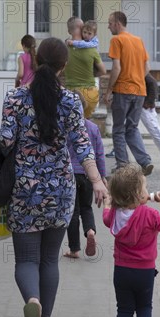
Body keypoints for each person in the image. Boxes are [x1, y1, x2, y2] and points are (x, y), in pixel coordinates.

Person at [0, 37, 107, 317]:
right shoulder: (72, 101)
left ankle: (32, 302)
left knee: (26, 259)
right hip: (60, 191)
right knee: (49, 260)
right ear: (64, 66)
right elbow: (83, 146)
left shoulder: (15, 98)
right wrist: (98, 181)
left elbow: (5, 142)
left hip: (24, 191)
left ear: (36, 58)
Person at [103, 164, 160, 317]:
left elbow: (105, 219)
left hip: (121, 270)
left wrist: (108, 204)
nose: (147, 191)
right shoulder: (150, 214)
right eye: (144, 187)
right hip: (145, 271)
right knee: (144, 305)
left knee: (124, 308)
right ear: (137, 195)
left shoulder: (115, 214)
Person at [103, 11, 153, 176]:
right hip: (140, 91)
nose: (108, 26)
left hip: (123, 91)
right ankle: (145, 162)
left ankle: (122, 166)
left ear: (117, 23)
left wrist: (109, 90)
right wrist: (136, 78)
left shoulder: (116, 40)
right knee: (132, 128)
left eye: (110, 23)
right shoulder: (138, 41)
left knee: (118, 129)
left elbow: (116, 68)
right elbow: (147, 68)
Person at [64, 92, 107, 259]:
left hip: (70, 175)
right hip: (90, 175)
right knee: (86, 208)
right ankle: (90, 231)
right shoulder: (93, 127)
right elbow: (100, 154)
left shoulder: (65, 127)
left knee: (72, 213)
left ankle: (74, 249)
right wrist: (102, 176)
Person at [64, 17, 106, 119]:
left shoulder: (63, 48)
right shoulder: (91, 49)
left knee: (71, 125)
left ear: (69, 30)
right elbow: (103, 71)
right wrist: (91, 74)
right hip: (89, 94)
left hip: (70, 93)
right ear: (81, 28)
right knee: (85, 126)